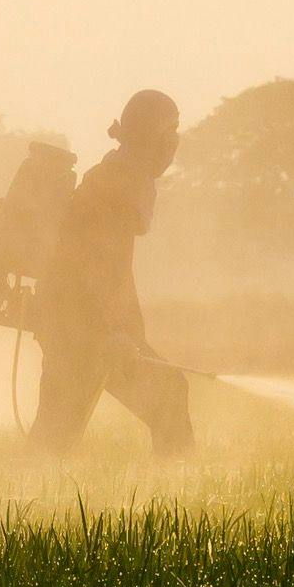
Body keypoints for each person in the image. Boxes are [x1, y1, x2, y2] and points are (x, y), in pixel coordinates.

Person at [25, 88, 195, 457]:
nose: (173, 147)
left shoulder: (116, 177)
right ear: (156, 138)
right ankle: (179, 500)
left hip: (79, 327)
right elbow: (93, 266)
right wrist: (112, 332)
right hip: (85, 332)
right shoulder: (116, 186)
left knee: (53, 438)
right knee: (166, 397)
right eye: (171, 135)